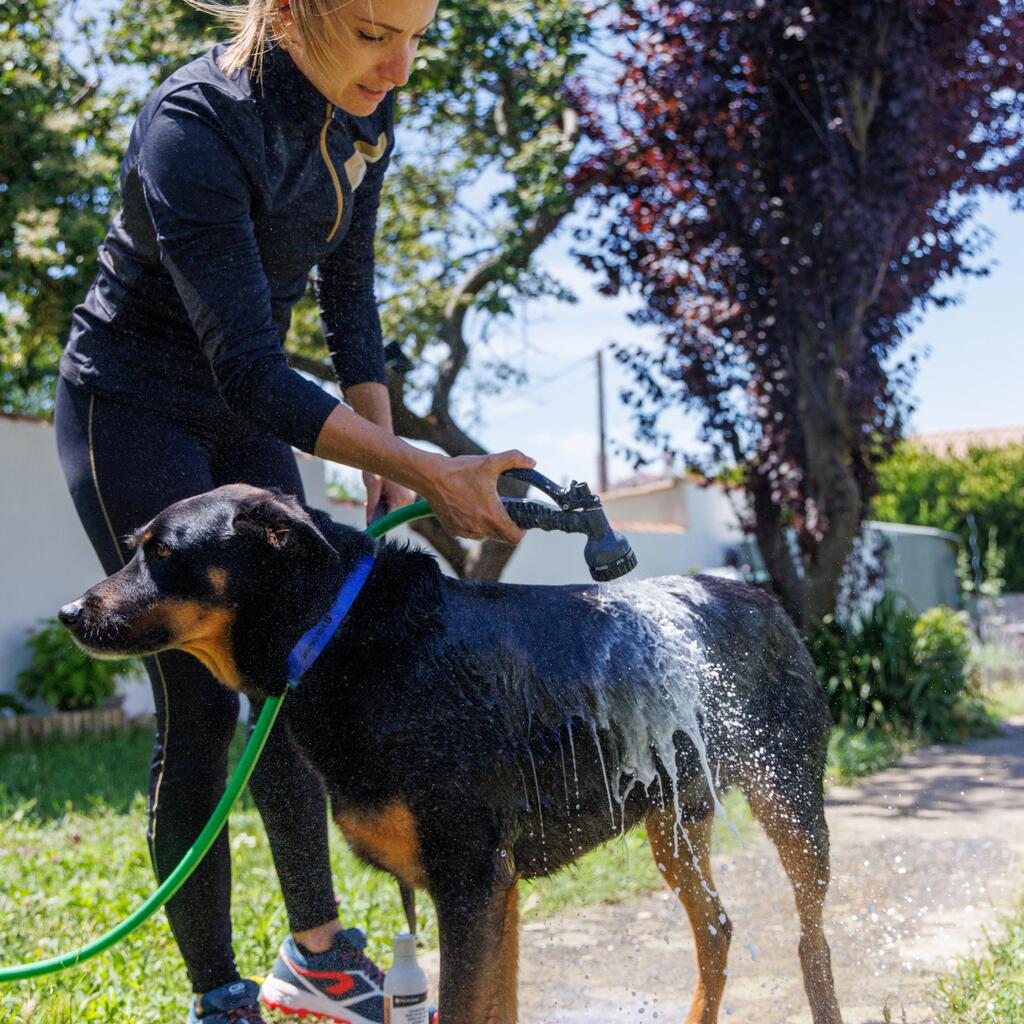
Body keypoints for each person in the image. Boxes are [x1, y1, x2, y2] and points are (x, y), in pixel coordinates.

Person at [54, 1, 533, 1021]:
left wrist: (385, 454)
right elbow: (250, 363)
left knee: (295, 672)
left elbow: (349, 304)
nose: (399, 66)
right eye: (373, 32)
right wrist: (427, 464)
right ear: (293, 11)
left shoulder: (359, 121)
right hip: (135, 401)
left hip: (244, 415)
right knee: (202, 700)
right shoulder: (194, 123)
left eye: (418, 36)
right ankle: (218, 990)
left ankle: (315, 954)